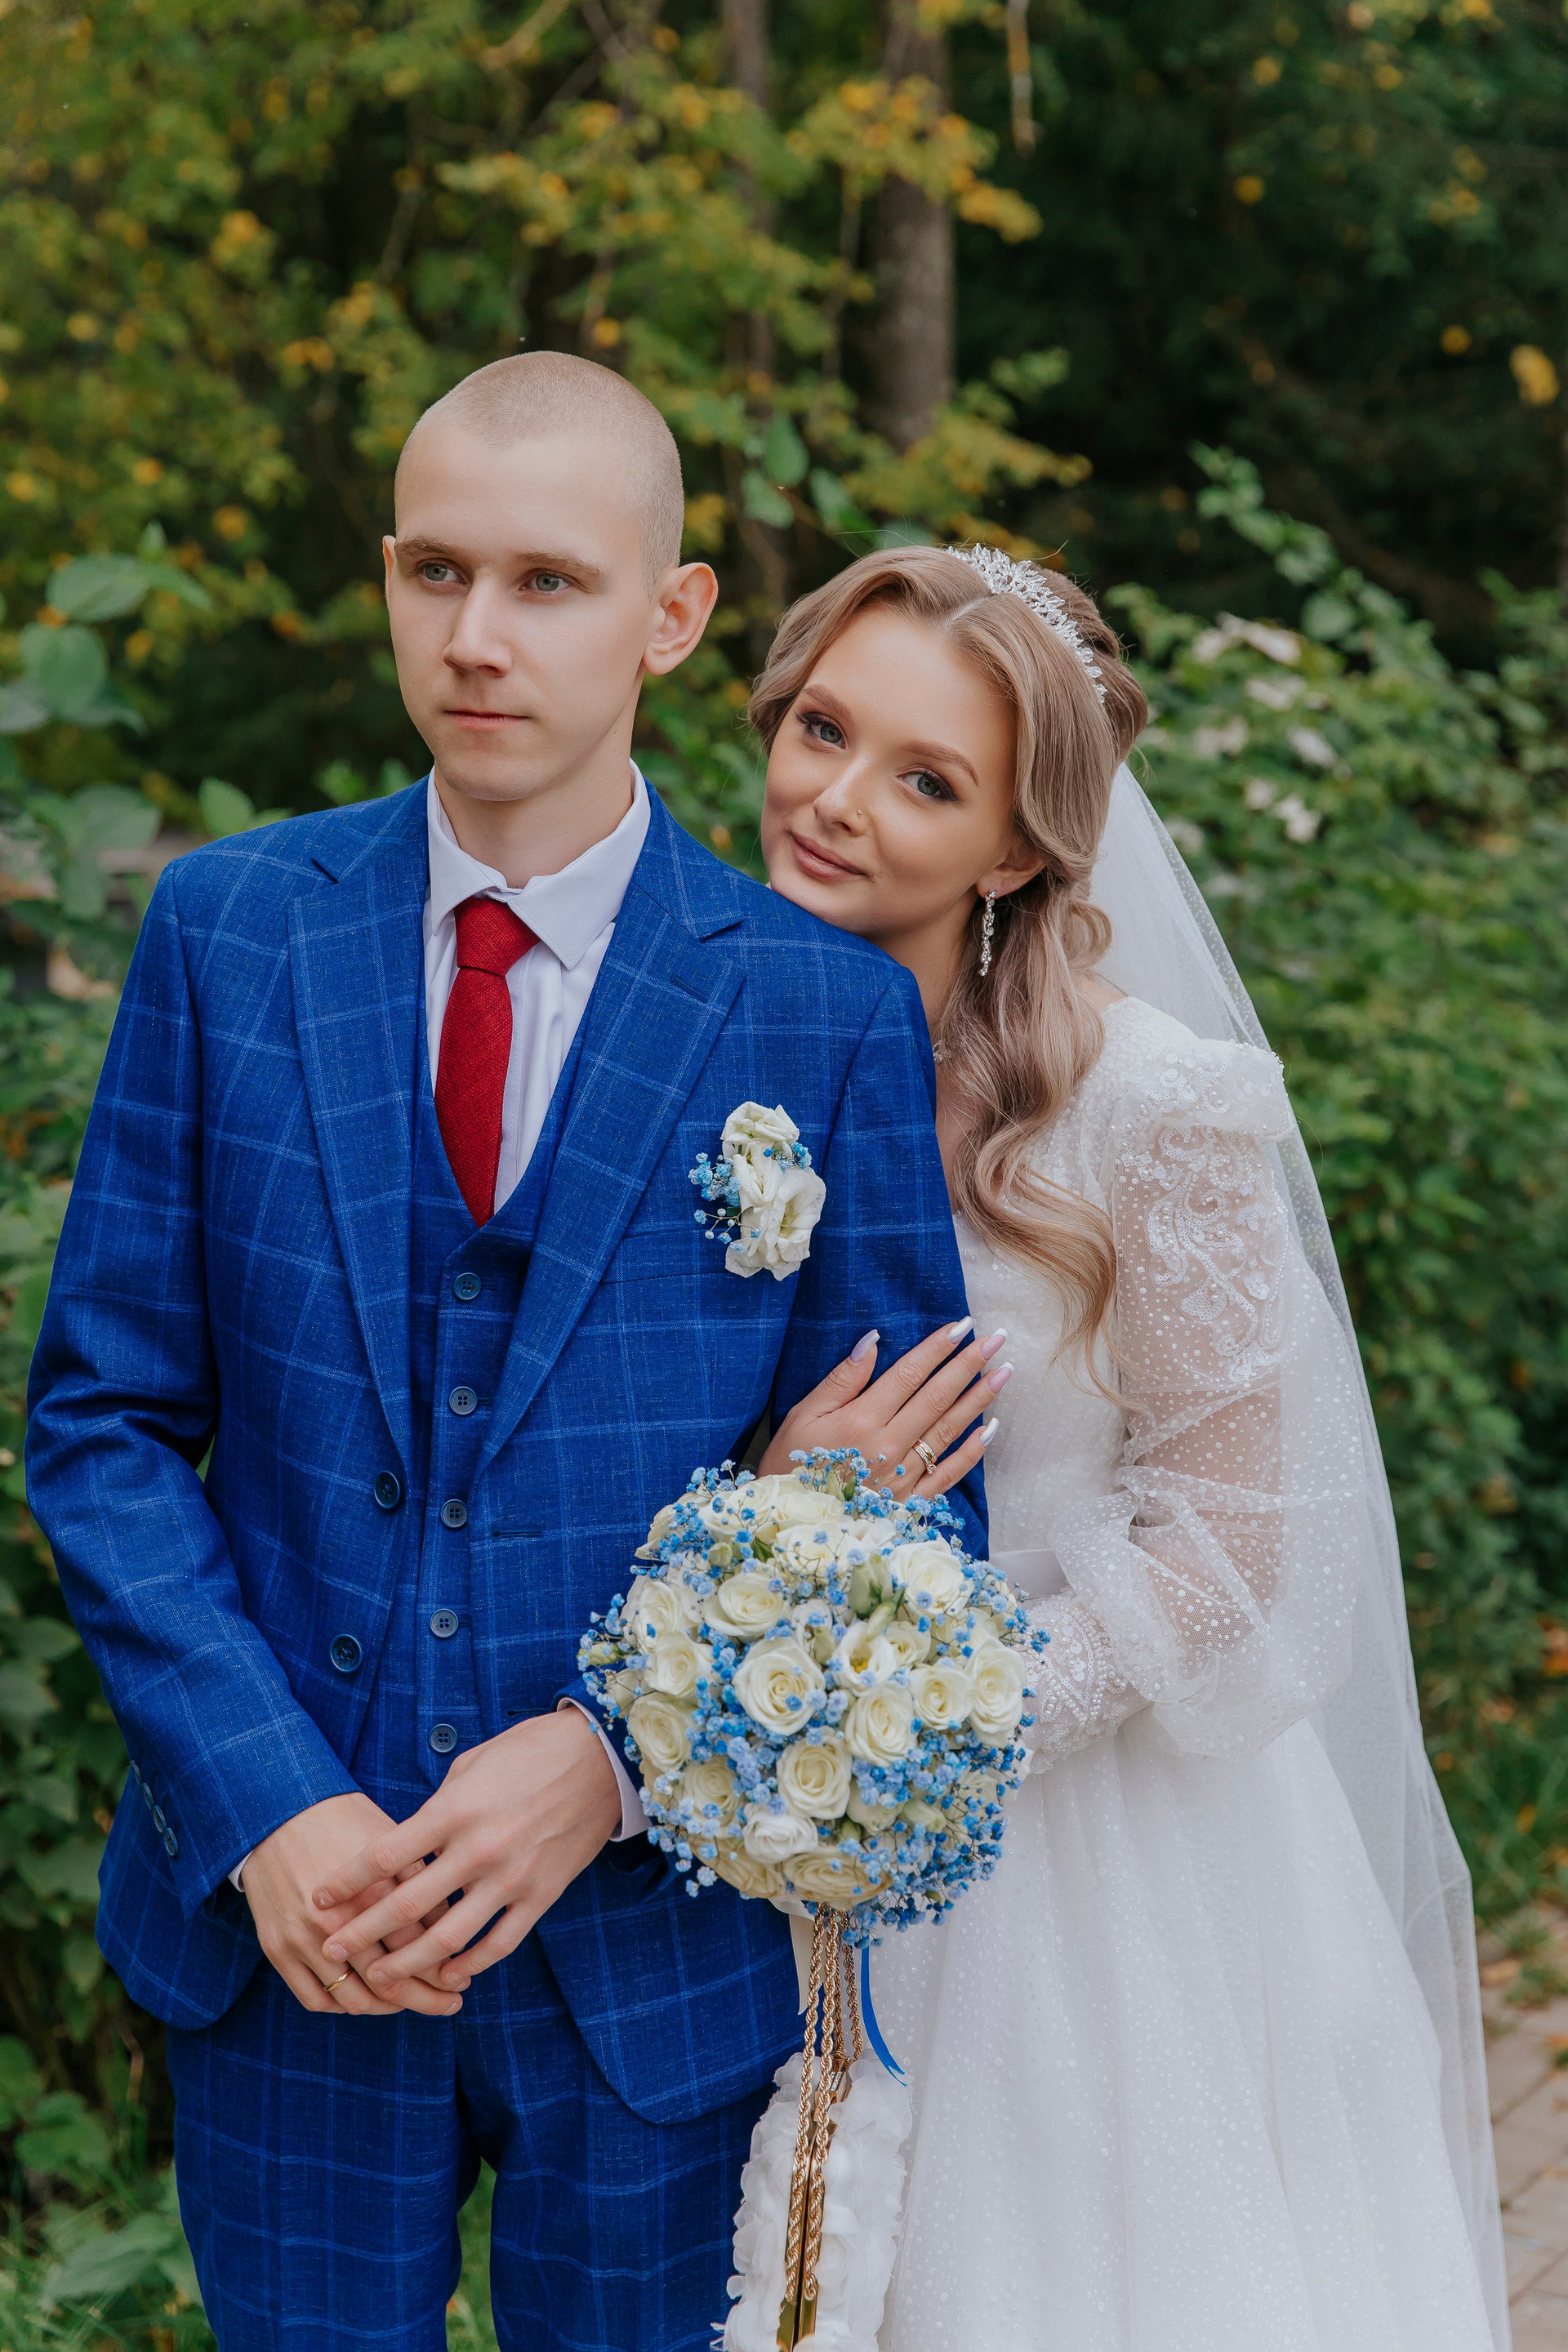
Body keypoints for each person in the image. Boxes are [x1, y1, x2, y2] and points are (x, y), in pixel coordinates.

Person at [23, 356, 995, 2351]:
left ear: (673, 614)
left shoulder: (817, 1013)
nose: (476, 635)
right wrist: (267, 1803)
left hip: (649, 1971)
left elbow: (915, 1531)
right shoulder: (227, 932)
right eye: (434, 571)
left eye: (548, 581)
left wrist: (615, 1756)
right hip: (295, 1936)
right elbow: (103, 1423)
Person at [742, 544, 1508, 2351]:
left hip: (1086, 1851)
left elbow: (1244, 1538)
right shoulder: (714, 1046)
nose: (836, 801)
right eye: (824, 730)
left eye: (927, 780)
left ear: (1017, 850)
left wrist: (944, 1724)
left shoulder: (1149, 1103)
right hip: (768, 1807)